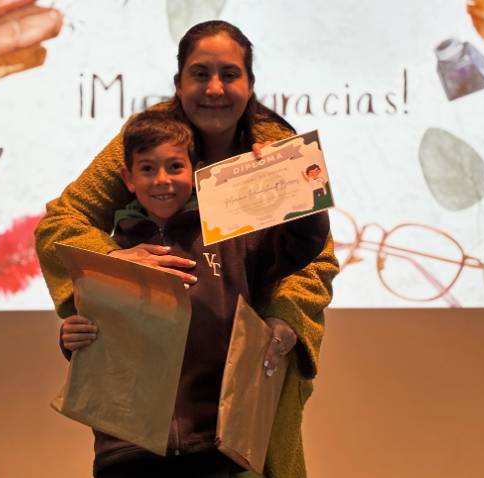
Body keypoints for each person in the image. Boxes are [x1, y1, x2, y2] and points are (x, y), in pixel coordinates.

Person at [35, 20, 340, 478]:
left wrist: (284, 318)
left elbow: (313, 254)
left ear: (250, 84)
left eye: (229, 74)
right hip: (139, 429)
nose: (214, 88)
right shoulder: (150, 138)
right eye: (200, 74)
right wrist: (114, 264)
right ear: (178, 83)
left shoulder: (276, 148)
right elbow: (62, 222)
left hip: (243, 384)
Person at [77, 110, 329, 477]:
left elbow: (301, 244)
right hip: (127, 450)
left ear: (196, 172)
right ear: (127, 178)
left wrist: (290, 175)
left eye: (175, 167)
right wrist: (70, 339)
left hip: (213, 443)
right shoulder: (115, 251)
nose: (162, 180)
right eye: (147, 169)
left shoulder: (230, 236)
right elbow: (94, 334)